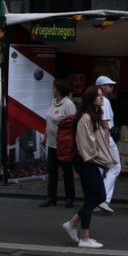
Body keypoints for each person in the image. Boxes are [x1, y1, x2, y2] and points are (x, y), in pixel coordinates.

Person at [62, 85, 117, 249]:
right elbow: (86, 145)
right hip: (86, 161)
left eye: (102, 95)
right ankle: (84, 238)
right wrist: (102, 158)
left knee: (100, 196)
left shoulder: (94, 115)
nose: (102, 97)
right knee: (91, 198)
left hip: (91, 161)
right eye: (98, 95)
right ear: (91, 99)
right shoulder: (85, 118)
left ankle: (72, 224)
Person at [39, 80, 76, 209]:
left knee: (67, 172)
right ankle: (51, 197)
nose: (52, 89)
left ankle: (69, 197)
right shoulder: (53, 102)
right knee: (52, 171)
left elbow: (72, 124)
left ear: (59, 90)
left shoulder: (68, 104)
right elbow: (48, 121)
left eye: (54, 88)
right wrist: (45, 136)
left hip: (63, 144)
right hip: (51, 143)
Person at [95, 75, 121, 214]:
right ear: (102, 86)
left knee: (99, 169)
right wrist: (106, 141)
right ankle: (102, 199)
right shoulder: (104, 100)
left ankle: (95, 200)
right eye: (109, 85)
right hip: (105, 137)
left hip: (96, 137)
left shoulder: (93, 99)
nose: (112, 88)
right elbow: (105, 123)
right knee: (115, 167)